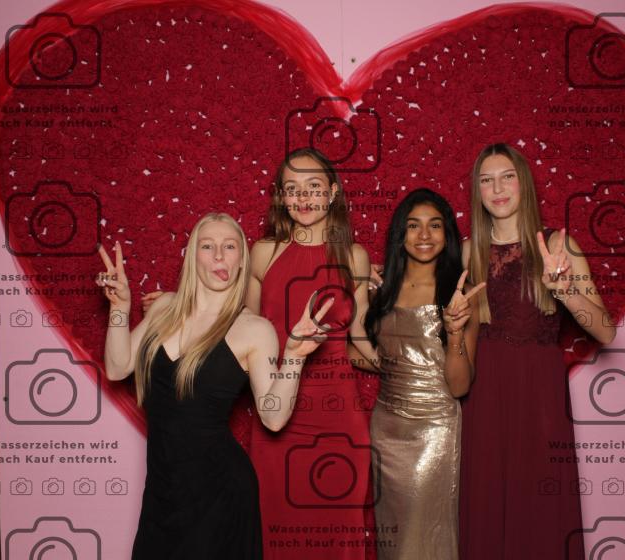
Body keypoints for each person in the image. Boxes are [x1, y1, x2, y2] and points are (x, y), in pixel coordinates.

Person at [142, 148, 376, 559]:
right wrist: (179, 303)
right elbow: (234, 319)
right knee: (273, 532)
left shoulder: (354, 256)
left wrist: (417, 354)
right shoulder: (264, 253)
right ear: (281, 197)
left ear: (334, 192)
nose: (303, 198)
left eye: (314, 187)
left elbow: (359, 338)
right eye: (292, 189)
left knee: (335, 538)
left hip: (338, 422)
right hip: (277, 414)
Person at [97, 213, 334, 560]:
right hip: (163, 492)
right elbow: (118, 367)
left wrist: (295, 357)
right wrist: (120, 307)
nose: (219, 255)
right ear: (193, 257)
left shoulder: (254, 330)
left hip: (220, 495)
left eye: (229, 247)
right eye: (207, 246)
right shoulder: (164, 309)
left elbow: (273, 418)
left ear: (242, 261)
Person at [458, 143, 617, 559]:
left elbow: (605, 330)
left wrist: (565, 292)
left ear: (524, 183)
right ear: (477, 191)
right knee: (488, 501)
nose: (497, 189)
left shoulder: (561, 245)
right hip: (485, 394)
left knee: (542, 505)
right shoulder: (468, 251)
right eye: (486, 180)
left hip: (540, 392)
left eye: (507, 177)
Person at [352, 188, 484, 560]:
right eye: (413, 226)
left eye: (435, 225)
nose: (424, 235)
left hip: (434, 429)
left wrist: (454, 332)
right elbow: (353, 353)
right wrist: (396, 365)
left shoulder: (460, 294)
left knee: (424, 537)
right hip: (386, 429)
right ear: (401, 234)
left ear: (447, 234)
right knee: (392, 540)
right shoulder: (382, 292)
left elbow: (460, 385)